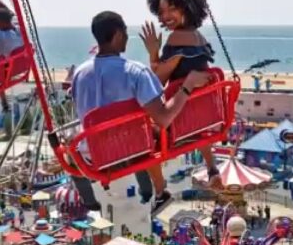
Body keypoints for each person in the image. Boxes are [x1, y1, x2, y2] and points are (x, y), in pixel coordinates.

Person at [70, 11, 210, 210]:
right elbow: (163, 118)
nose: (127, 37)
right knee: (154, 128)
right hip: (129, 151)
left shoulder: (80, 73)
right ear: (118, 34)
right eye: (126, 33)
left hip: (93, 156)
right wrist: (188, 85)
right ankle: (160, 188)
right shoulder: (135, 72)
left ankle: (150, 191)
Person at [142, 0, 222, 186]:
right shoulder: (199, 38)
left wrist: (152, 53)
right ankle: (212, 168)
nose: (166, 16)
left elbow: (158, 80)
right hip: (200, 117)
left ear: (187, 7)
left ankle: (158, 188)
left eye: (172, 9)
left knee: (141, 129)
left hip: (178, 120)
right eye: (162, 12)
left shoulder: (177, 39)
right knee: (190, 103)